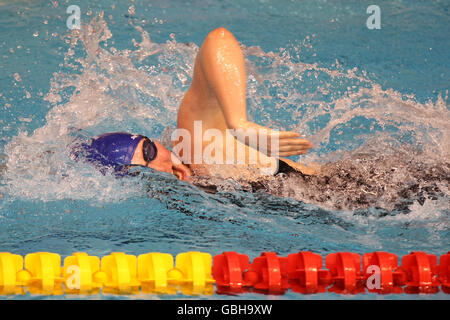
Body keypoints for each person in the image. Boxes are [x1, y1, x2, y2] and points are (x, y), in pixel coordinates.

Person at [81, 28, 316, 181]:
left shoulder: (197, 148)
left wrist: (239, 124)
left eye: (149, 146)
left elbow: (218, 40)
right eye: (146, 158)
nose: (162, 154)